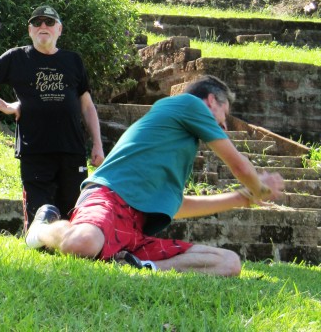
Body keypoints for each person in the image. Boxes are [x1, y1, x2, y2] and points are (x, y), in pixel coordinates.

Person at [24, 75, 285, 276]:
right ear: (211, 101)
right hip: (108, 197)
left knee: (229, 263)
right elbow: (239, 166)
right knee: (83, 243)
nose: (225, 126)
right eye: (224, 115)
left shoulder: (180, 144)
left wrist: (240, 198)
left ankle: (143, 266)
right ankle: (42, 230)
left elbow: (175, 206)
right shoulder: (188, 104)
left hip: (135, 229)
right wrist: (260, 187)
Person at [0, 5, 104, 231]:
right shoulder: (16, 58)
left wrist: (98, 144)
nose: (43, 26)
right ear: (30, 30)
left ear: (59, 29)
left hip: (72, 150)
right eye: (37, 23)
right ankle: (41, 248)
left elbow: (87, 106)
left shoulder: (74, 61)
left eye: (49, 22)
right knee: (39, 216)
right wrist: (6, 107)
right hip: (35, 151)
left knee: (73, 214)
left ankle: (70, 250)